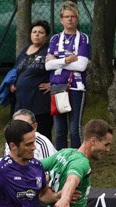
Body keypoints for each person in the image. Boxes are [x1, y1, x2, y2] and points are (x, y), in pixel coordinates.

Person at [45, 1, 89, 149]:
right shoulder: (55, 39)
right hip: (57, 87)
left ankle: (76, 160)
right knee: (59, 130)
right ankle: (60, 161)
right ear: (61, 19)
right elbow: (47, 65)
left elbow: (82, 66)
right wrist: (68, 59)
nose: (70, 19)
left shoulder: (83, 38)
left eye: (73, 16)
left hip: (76, 87)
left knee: (74, 128)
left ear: (77, 19)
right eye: (66, 16)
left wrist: (57, 61)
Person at [10, 20, 53, 140]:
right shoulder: (24, 51)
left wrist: (53, 84)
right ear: (30, 34)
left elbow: (60, 70)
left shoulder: (49, 51)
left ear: (46, 36)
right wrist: (12, 83)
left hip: (40, 103)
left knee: (42, 135)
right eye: (34, 32)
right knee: (20, 134)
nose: (37, 34)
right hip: (21, 102)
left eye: (41, 32)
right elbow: (16, 70)